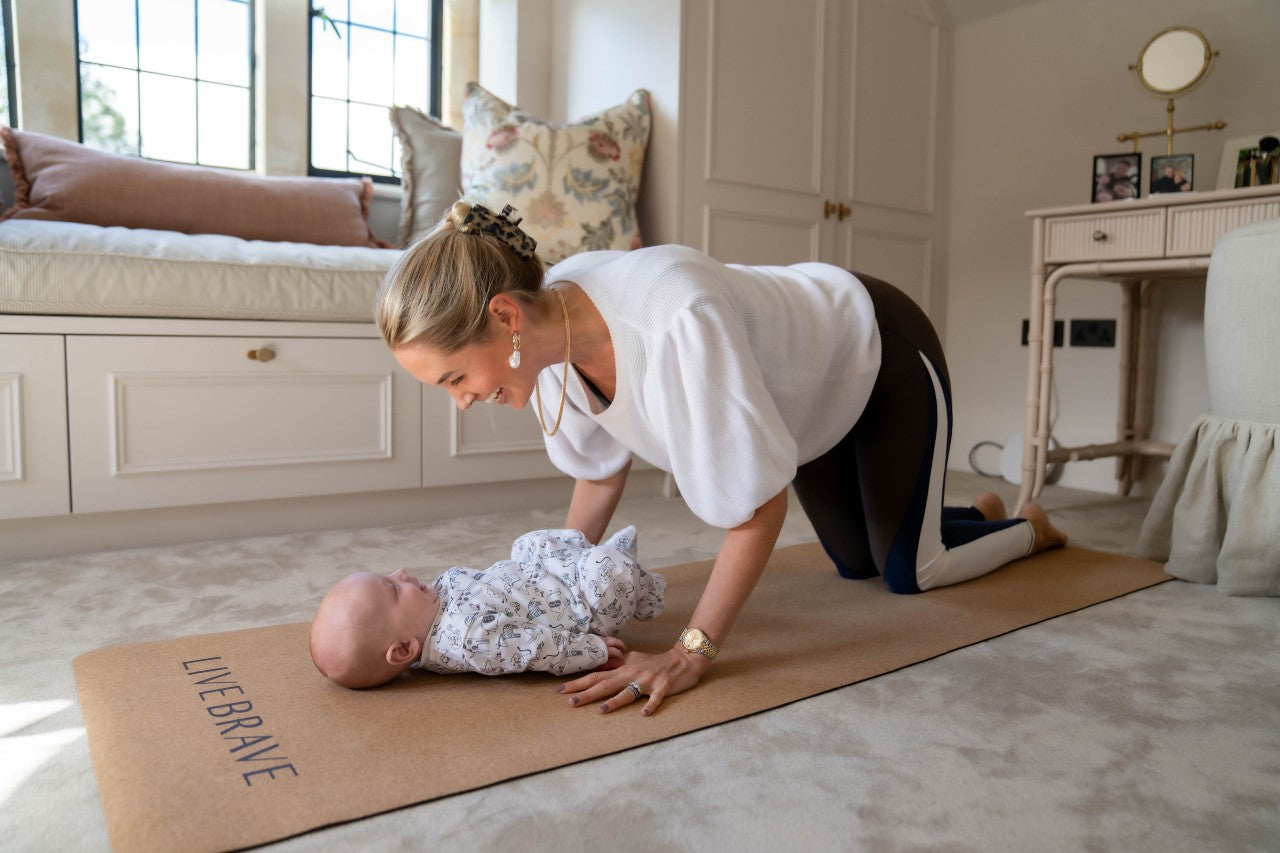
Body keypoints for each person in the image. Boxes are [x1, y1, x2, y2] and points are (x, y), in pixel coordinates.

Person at [376, 201, 1068, 715]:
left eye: (454, 379)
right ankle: (957, 510)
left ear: (504, 318)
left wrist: (691, 650)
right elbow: (598, 468)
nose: (461, 402)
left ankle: (1027, 525)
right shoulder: (543, 331)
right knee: (854, 563)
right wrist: (547, 596)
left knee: (910, 573)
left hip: (874, 350)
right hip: (800, 402)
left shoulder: (677, 319)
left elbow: (760, 506)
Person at [309, 525, 664, 689]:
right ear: (404, 649)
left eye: (388, 574)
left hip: (543, 578)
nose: (400, 572)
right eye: (393, 589)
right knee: (608, 571)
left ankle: (590, 558)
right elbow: (534, 650)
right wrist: (593, 650)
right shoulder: (470, 639)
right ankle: (642, 590)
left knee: (527, 543)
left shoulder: (426, 610)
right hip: (582, 608)